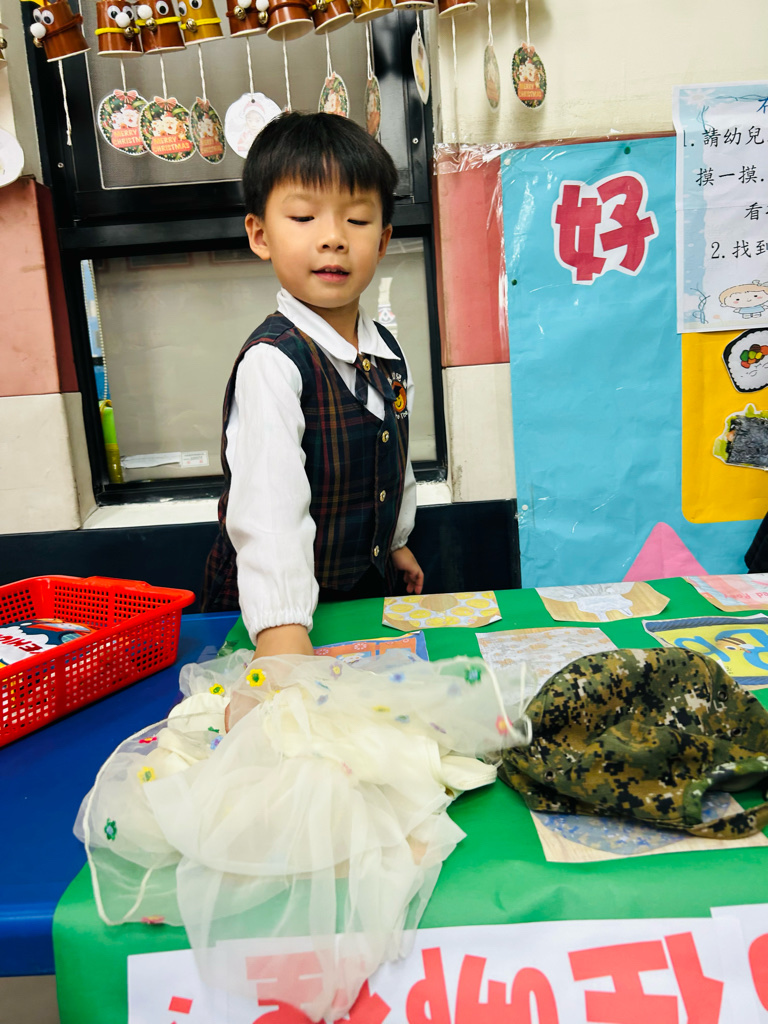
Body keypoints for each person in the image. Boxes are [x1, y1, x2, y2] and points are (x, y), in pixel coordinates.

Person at [201, 111, 424, 657]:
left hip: (356, 599)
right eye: (303, 217)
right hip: (273, 618)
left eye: (357, 220)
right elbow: (269, 513)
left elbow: (395, 458)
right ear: (260, 235)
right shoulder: (273, 363)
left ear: (383, 239)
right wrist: (282, 635)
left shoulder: (386, 352)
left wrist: (395, 541)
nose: (333, 239)